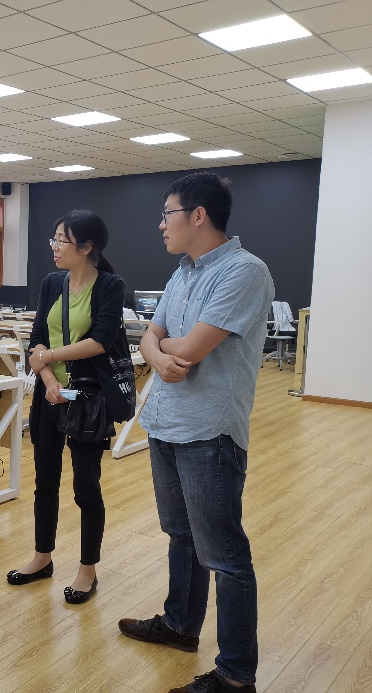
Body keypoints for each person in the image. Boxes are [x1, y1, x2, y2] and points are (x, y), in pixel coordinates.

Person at [119, 172, 273, 693]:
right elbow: (151, 336)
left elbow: (190, 347)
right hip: (166, 424)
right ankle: (181, 625)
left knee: (224, 554)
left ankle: (236, 675)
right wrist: (162, 352)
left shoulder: (244, 271)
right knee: (180, 535)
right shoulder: (181, 273)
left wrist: (164, 350)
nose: (161, 224)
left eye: (167, 214)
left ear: (198, 215)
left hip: (210, 432)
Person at [6, 210, 131, 605]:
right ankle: (42, 556)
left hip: (86, 397)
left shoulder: (109, 286)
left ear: (87, 247)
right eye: (55, 238)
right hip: (50, 395)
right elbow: (36, 340)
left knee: (86, 486)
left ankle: (87, 569)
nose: (55, 247)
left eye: (63, 240)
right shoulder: (52, 283)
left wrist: (49, 358)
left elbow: (100, 341)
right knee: (45, 482)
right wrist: (49, 380)